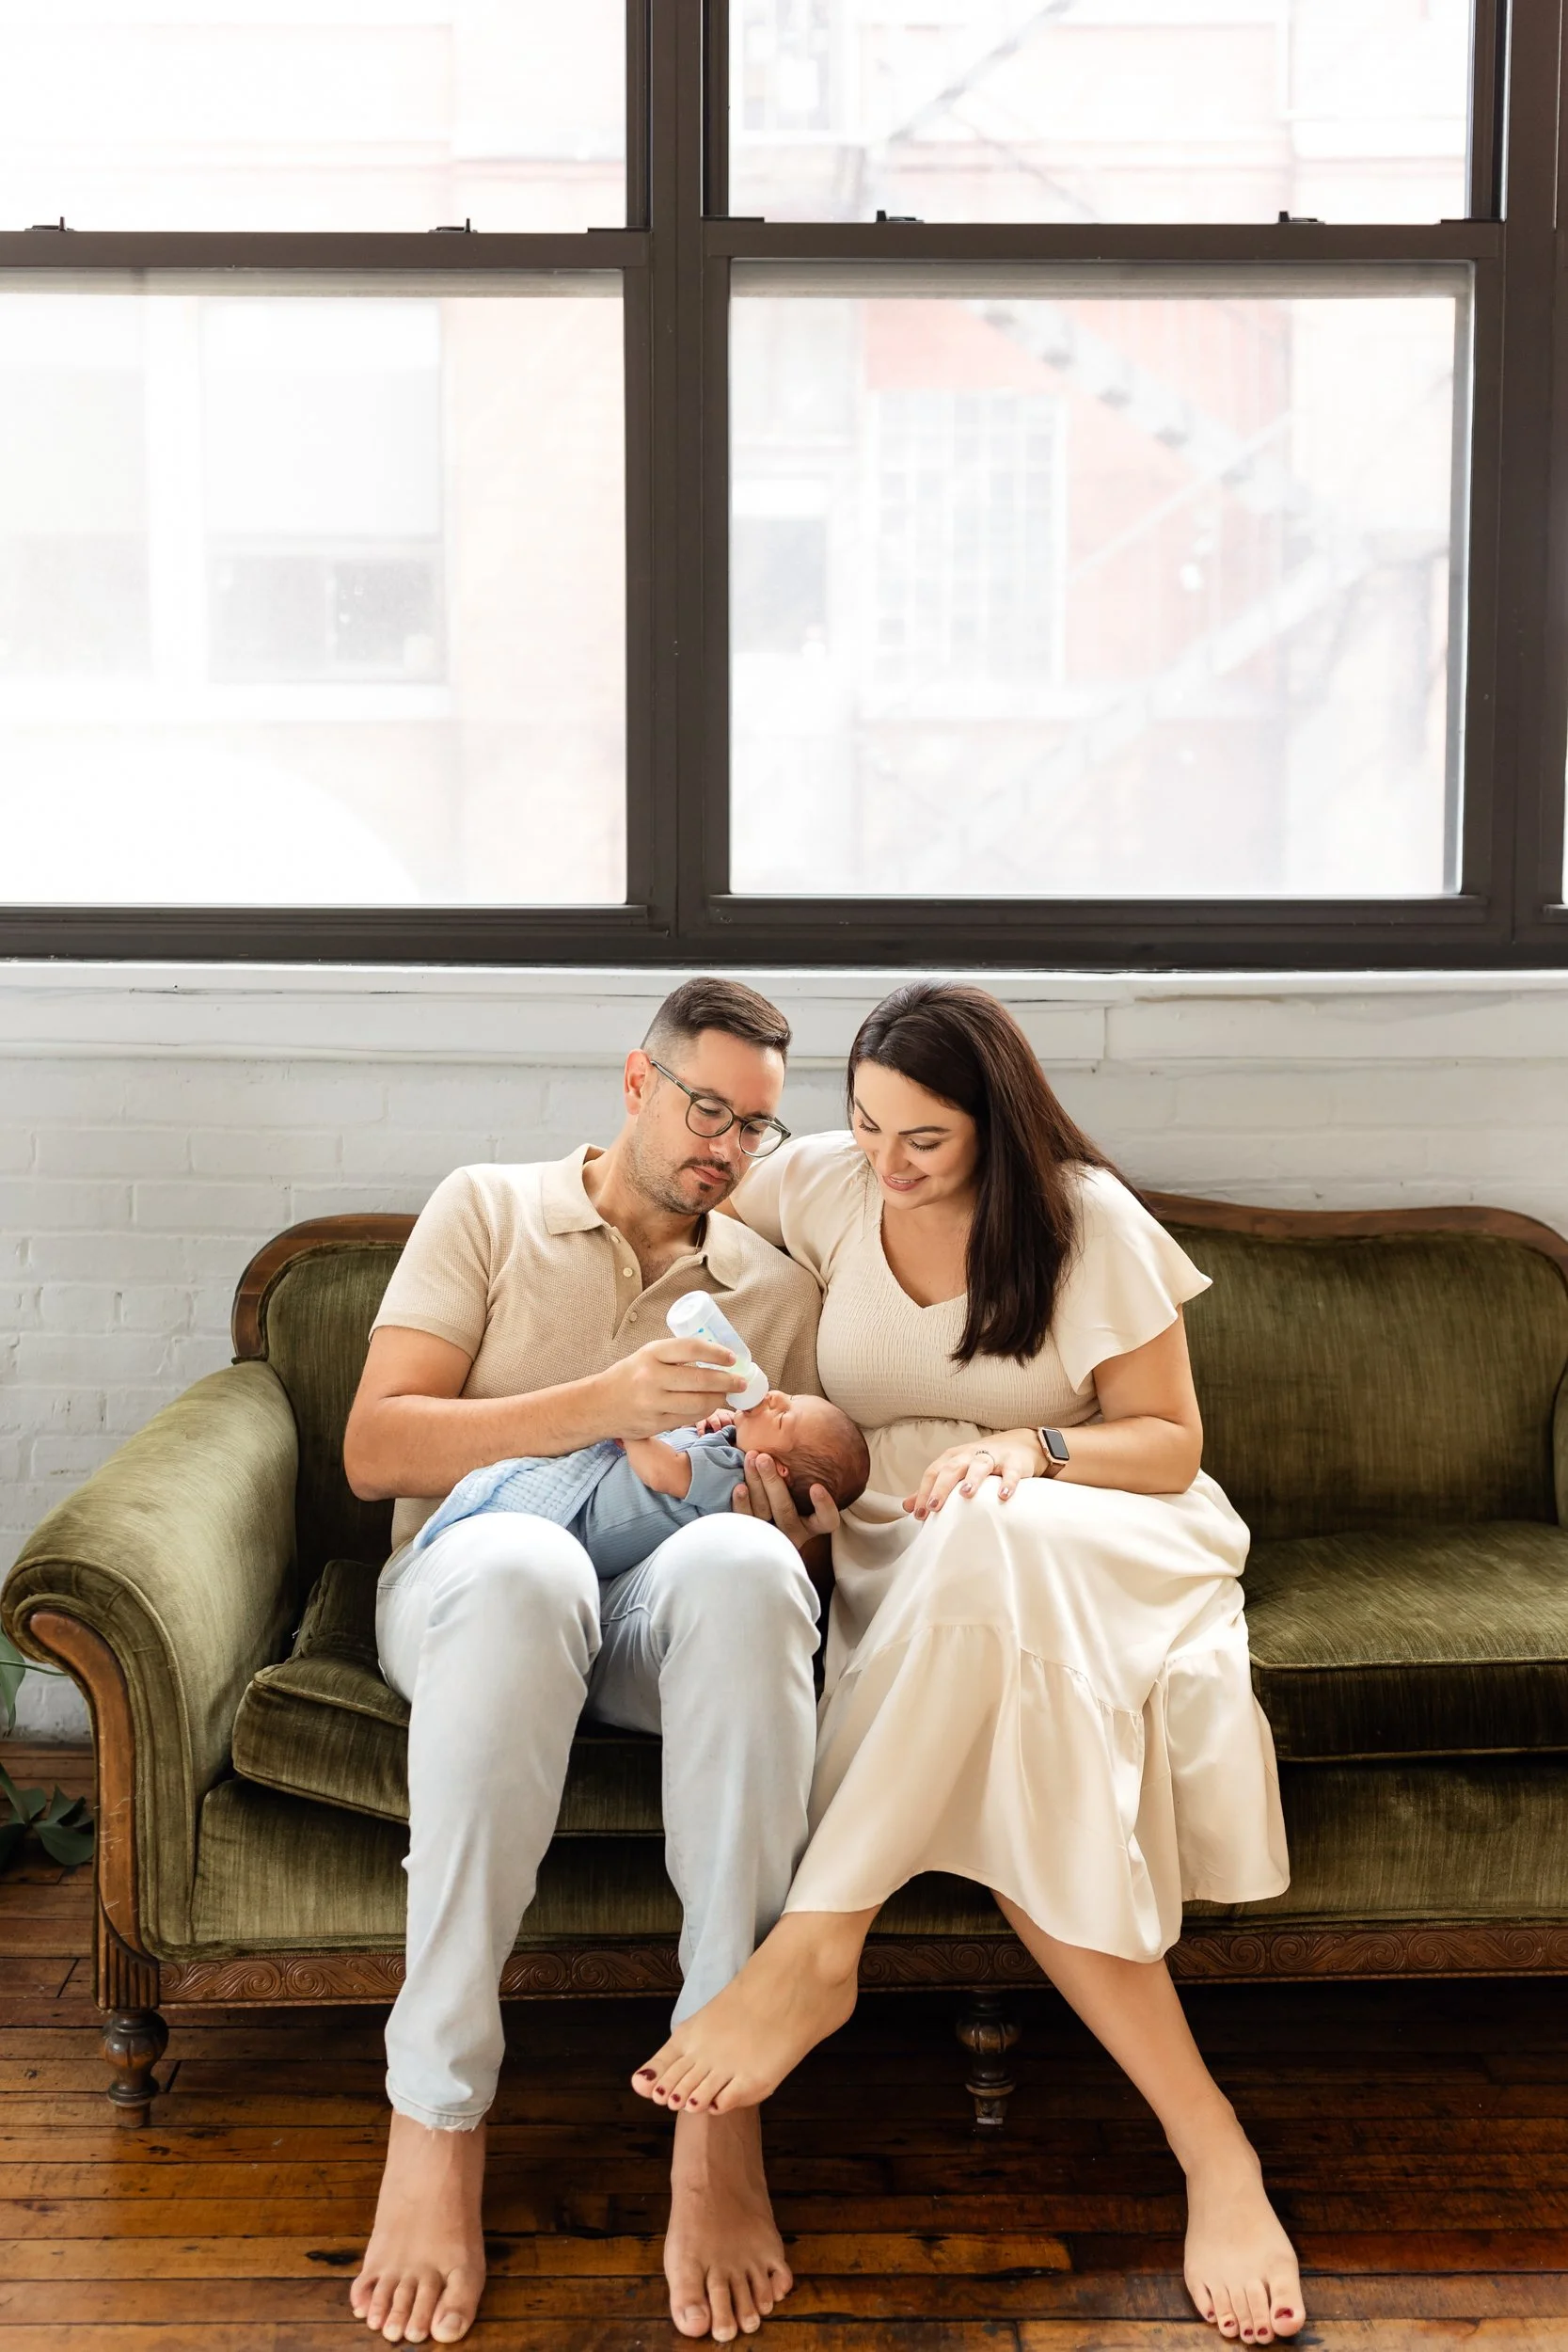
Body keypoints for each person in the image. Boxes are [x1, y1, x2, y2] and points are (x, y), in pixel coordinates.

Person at [631, 980, 1306, 2349]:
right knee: (1013, 1704)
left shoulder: (1081, 1222)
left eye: (921, 1138)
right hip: (900, 1549)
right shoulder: (825, 1185)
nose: (885, 1159)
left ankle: (822, 1940)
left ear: (992, 1123)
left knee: (993, 1533)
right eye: (863, 1122)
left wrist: (1028, 1450)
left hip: (1095, 1530)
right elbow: (662, 1212)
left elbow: (1167, 1441)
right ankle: (1210, 2147)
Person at [341, 976, 839, 2348]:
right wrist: (598, 1405)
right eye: (706, 1109)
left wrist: (783, 1517)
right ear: (635, 1084)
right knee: (526, 1568)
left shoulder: (769, 1283)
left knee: (741, 1575)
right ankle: (435, 2116)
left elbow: (794, 1528)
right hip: (468, 1584)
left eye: (755, 1131)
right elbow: (377, 1448)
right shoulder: (487, 1207)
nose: (726, 1150)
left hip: (657, 1614)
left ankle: (721, 2106)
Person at [411, 1391, 869, 1581]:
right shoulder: (731, 1447)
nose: (772, 1397)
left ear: (777, 1470)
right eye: (786, 1395)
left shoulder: (734, 1481)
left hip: (585, 1529)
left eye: (783, 1414)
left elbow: (662, 1472)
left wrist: (629, 1425)